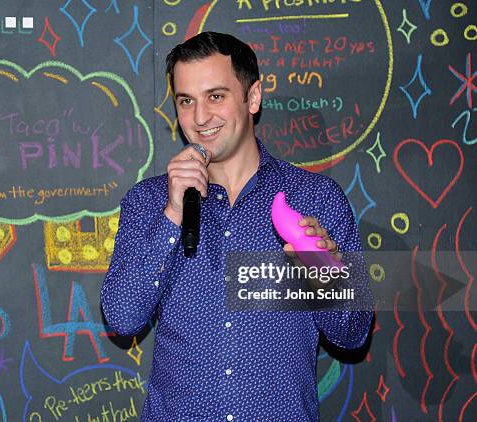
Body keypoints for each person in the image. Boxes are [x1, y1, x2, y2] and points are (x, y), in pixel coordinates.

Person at [101, 31, 373, 421]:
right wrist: (173, 214)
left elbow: (353, 334)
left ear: (253, 97)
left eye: (216, 96)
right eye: (186, 101)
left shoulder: (316, 199)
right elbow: (123, 317)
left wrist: (326, 275)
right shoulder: (149, 201)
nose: (199, 118)